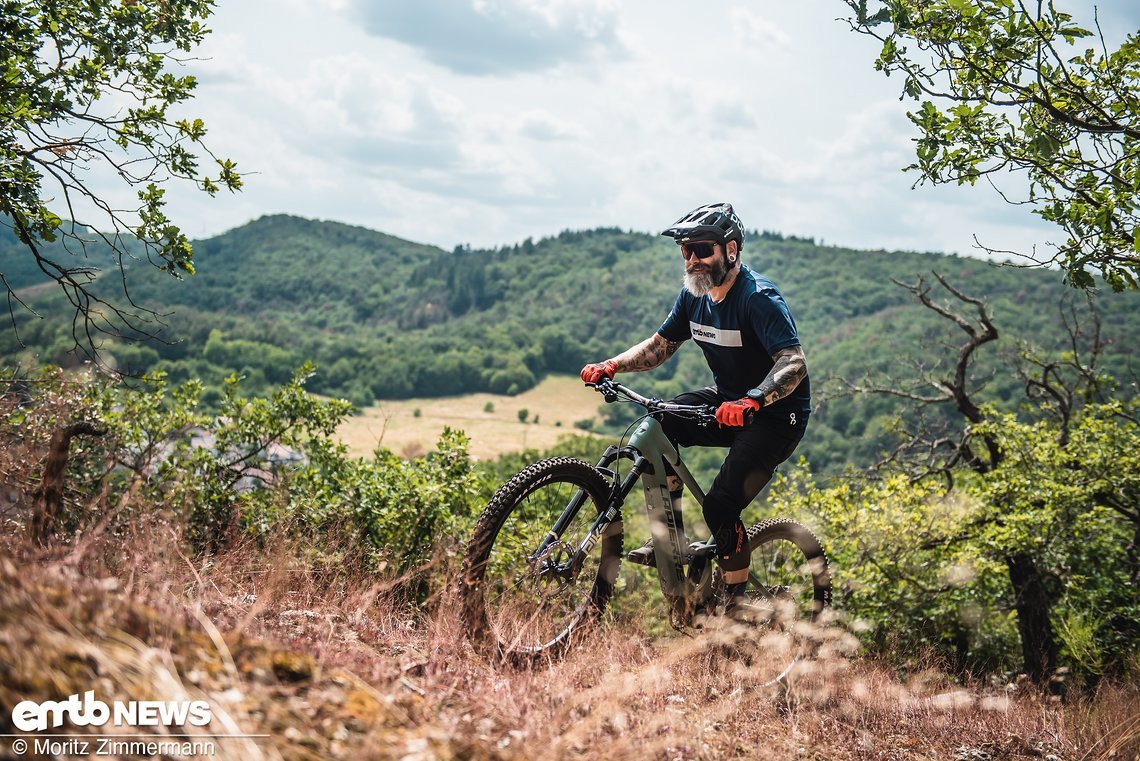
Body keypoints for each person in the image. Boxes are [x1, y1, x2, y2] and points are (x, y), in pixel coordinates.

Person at [580, 202, 811, 608]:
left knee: (721, 505)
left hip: (776, 417)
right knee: (659, 425)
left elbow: (793, 363)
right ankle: (672, 542)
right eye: (685, 251)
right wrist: (612, 365)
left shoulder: (758, 300)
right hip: (726, 402)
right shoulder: (693, 298)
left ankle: (733, 606)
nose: (692, 260)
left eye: (702, 249)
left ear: (732, 250)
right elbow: (660, 346)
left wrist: (754, 399)